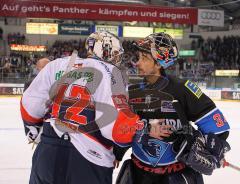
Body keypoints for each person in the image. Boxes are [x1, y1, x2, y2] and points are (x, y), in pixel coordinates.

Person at [20, 31, 142, 184]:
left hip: (47, 152)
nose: (117, 58)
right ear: (104, 50)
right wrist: (141, 127)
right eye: (115, 53)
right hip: (89, 159)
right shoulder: (111, 73)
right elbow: (115, 126)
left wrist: (35, 133)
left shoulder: (57, 65)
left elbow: (30, 106)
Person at [114, 32, 231, 184]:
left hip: (176, 176)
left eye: (144, 58)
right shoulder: (132, 92)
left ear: (159, 63)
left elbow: (218, 128)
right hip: (138, 174)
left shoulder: (183, 89)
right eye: (138, 57)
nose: (137, 63)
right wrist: (118, 152)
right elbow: (124, 129)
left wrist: (205, 145)